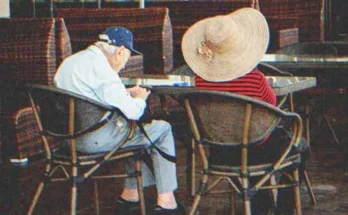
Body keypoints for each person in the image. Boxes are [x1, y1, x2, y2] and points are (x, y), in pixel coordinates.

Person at [182, 7, 308, 215]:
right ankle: (283, 210)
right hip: (257, 151)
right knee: (296, 144)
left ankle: (261, 202)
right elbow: (270, 111)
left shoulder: (200, 81)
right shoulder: (256, 78)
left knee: (253, 136)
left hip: (219, 152)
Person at [54, 26, 185, 215]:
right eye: (126, 57)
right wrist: (139, 97)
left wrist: (123, 94)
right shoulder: (104, 70)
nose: (124, 64)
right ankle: (167, 203)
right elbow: (134, 113)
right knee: (160, 129)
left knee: (135, 134)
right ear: (120, 51)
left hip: (67, 138)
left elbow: (88, 96)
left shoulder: (70, 62)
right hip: (92, 140)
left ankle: (130, 197)